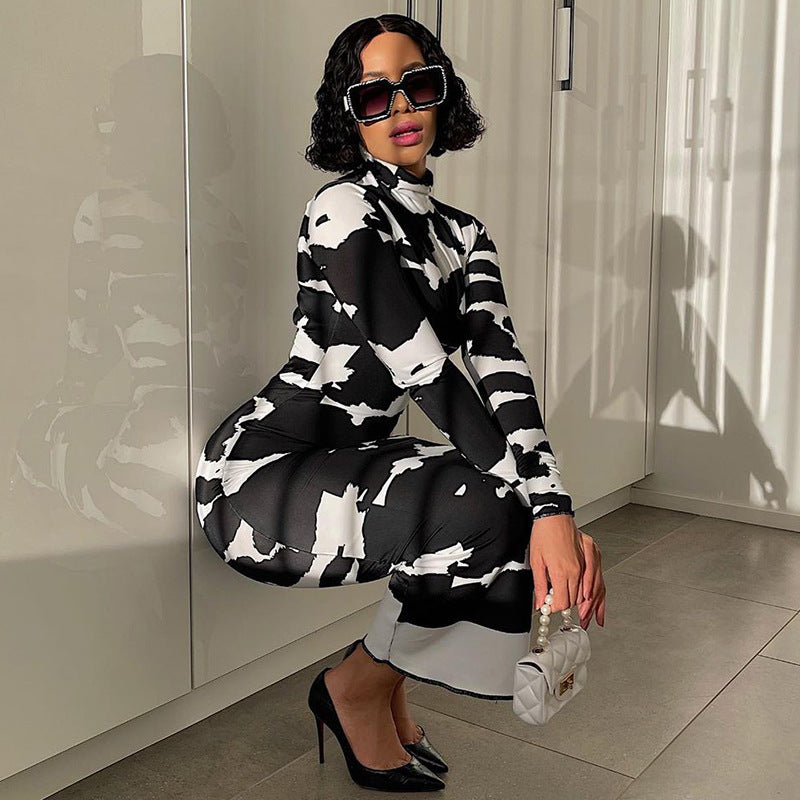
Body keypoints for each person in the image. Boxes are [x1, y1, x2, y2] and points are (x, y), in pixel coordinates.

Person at [195, 13, 606, 793]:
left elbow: (502, 372)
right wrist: (549, 513)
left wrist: (555, 504)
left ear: (442, 93)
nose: (402, 108)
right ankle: (359, 690)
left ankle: (371, 687)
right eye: (374, 96)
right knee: (491, 505)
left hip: (352, 460)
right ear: (348, 116)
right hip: (263, 474)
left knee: (504, 501)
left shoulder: (464, 235)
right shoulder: (342, 208)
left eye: (418, 85)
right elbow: (424, 369)